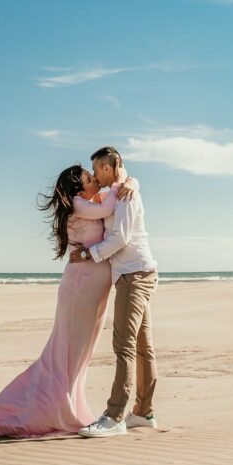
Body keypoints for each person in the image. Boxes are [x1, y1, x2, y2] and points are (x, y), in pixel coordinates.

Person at [0, 163, 136, 438]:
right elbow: (109, 208)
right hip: (80, 288)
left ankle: (69, 405)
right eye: (89, 178)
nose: (94, 180)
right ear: (77, 188)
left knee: (80, 354)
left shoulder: (89, 201)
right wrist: (120, 181)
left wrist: (132, 182)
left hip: (94, 290)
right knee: (66, 351)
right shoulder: (79, 204)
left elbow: (111, 207)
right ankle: (51, 410)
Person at [73, 146, 159, 438]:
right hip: (135, 272)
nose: (95, 175)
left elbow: (120, 237)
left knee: (124, 344)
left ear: (108, 168)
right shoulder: (118, 191)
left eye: (96, 169)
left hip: (134, 274)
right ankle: (144, 413)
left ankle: (114, 416)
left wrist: (88, 255)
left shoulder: (126, 194)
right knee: (141, 347)